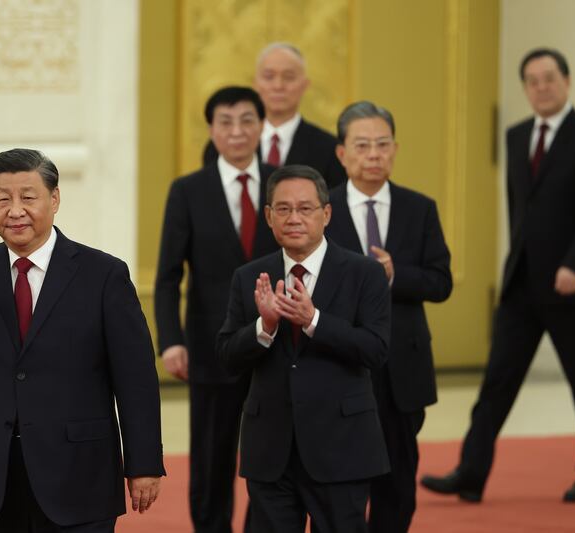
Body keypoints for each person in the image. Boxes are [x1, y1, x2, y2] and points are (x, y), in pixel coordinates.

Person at [0, 148, 164, 532]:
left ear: (55, 198)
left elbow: (136, 378)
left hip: (80, 470)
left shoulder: (103, 274)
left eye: (28, 197)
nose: (15, 210)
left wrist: (143, 463)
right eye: (3, 199)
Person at [420, 48, 575, 503]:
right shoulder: (516, 135)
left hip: (572, 283)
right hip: (522, 284)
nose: (541, 87)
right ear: (525, 87)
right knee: (497, 383)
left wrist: (574, 263)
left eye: (549, 78)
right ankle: (470, 473)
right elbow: (519, 211)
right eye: (532, 80)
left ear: (567, 81)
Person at [216, 165, 391, 533]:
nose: (294, 218)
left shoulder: (364, 274)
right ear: (268, 216)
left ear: (326, 214)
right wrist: (264, 327)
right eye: (283, 209)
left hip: (342, 447)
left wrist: (314, 320)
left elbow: (375, 350)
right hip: (271, 450)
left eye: (305, 208)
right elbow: (227, 357)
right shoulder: (250, 276)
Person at [154, 86, 279, 532]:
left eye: (247, 120)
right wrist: (171, 341)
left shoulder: (285, 185)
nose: (237, 131)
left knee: (273, 455)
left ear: (262, 126)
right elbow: (169, 276)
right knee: (212, 457)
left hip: (278, 343)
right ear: (212, 129)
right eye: (225, 122)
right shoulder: (188, 190)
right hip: (212, 346)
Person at [326, 101, 452, 532]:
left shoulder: (420, 208)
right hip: (338, 363)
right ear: (342, 153)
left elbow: (441, 282)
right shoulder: (320, 210)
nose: (374, 154)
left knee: (397, 481)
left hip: (402, 366)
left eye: (382, 144)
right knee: (341, 482)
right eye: (362, 145)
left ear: (395, 149)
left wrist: (397, 274)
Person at [203, 43, 347, 188]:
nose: (278, 86)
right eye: (269, 77)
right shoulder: (223, 144)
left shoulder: (329, 149)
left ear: (305, 85)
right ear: (255, 83)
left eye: (289, 77)